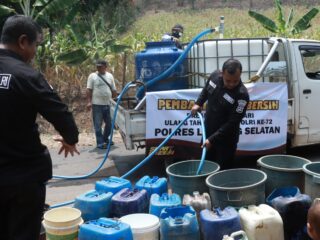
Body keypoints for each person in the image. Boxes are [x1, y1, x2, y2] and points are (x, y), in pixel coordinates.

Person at [0, 15, 79, 239]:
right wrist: (70, 137)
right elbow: (58, 111)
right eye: (35, 44)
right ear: (23, 41)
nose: (35, 51)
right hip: (22, 179)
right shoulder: (25, 75)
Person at [191, 59, 249, 170]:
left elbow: (233, 123)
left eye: (235, 81)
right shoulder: (214, 77)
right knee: (205, 166)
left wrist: (212, 140)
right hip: (208, 132)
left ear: (240, 75)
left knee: (223, 172)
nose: (231, 84)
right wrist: (198, 103)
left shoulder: (242, 95)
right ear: (222, 73)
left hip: (226, 140)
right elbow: (205, 91)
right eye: (228, 81)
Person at [87, 59, 117, 149]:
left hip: (108, 104)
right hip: (97, 105)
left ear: (105, 66)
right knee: (98, 124)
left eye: (101, 66)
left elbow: (113, 89)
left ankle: (105, 139)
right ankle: (100, 142)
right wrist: (89, 102)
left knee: (110, 124)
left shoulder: (110, 76)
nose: (99, 67)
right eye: (97, 66)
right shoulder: (92, 76)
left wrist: (115, 100)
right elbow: (89, 89)